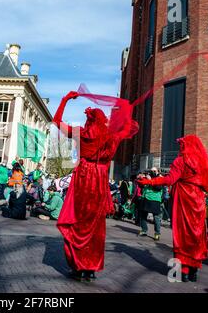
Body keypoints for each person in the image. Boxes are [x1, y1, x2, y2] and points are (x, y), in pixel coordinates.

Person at [53, 90, 138, 282]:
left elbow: (57, 121)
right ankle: (90, 267)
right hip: (99, 179)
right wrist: (125, 113)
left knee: (78, 221)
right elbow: (129, 128)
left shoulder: (81, 135)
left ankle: (78, 265)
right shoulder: (111, 137)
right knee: (96, 225)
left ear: (89, 121)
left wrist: (65, 99)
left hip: (84, 177)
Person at [138, 135, 208, 283]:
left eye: (182, 145)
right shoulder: (202, 163)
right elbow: (207, 186)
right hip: (198, 201)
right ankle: (194, 270)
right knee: (196, 234)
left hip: (184, 200)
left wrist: (150, 182)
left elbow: (169, 180)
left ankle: (184, 272)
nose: (180, 148)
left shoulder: (180, 161)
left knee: (183, 234)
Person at [137, 168, 163, 241]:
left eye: (154, 171)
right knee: (143, 215)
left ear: (158, 172)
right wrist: (140, 178)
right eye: (151, 171)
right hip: (145, 198)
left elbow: (158, 188)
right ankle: (144, 230)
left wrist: (150, 180)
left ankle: (157, 233)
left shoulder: (160, 178)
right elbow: (140, 185)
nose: (152, 172)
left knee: (156, 218)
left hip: (155, 199)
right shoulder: (147, 177)